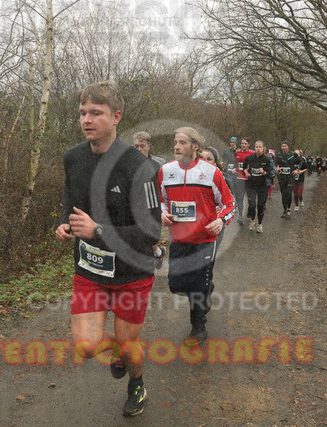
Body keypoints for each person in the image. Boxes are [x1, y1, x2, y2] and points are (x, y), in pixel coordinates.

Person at [55, 81, 161, 417]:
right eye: (82, 113)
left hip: (132, 271)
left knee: (129, 348)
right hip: (91, 269)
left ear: (116, 117)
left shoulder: (139, 166)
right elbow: (70, 198)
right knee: (86, 346)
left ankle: (137, 382)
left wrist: (98, 230)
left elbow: (152, 231)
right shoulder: (73, 158)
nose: (86, 120)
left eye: (95, 113)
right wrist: (64, 222)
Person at [158, 128, 235, 344]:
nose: (176, 146)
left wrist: (221, 220)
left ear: (195, 146)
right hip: (179, 239)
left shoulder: (211, 172)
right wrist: (162, 213)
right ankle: (205, 288)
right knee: (176, 284)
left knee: (198, 286)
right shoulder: (165, 171)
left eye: (182, 142)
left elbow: (229, 204)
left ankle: (198, 326)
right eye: (175, 142)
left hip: (204, 240)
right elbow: (160, 200)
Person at [132, 131, 166, 269]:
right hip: (135, 205)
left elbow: (165, 185)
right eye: (136, 146)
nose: (139, 149)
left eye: (142, 146)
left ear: (149, 146)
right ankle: (157, 253)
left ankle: (156, 254)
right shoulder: (127, 163)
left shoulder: (159, 164)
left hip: (154, 205)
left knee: (149, 236)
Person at [242, 141, 273, 233]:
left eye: (260, 147)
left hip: (262, 186)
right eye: (256, 147)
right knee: (252, 205)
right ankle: (252, 221)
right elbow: (244, 166)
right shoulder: (250, 158)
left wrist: (264, 172)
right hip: (251, 185)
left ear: (263, 148)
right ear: (254, 148)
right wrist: (246, 172)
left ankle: (260, 224)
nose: (258, 149)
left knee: (260, 206)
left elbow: (270, 174)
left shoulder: (266, 160)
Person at [275, 141, 301, 219]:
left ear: (288, 147)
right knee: (283, 194)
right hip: (281, 177)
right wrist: (276, 169)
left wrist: (297, 170)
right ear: (281, 147)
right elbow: (274, 164)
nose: (284, 148)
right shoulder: (278, 155)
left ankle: (289, 209)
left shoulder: (293, 155)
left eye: (285, 146)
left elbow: (300, 163)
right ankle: (285, 210)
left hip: (290, 177)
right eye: (282, 146)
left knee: (289, 193)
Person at [233, 137, 254, 225]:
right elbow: (235, 163)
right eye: (242, 143)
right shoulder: (237, 152)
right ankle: (240, 216)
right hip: (239, 178)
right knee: (239, 198)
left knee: (250, 198)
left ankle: (249, 211)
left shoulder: (252, 153)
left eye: (245, 143)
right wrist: (235, 168)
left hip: (249, 179)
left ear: (248, 144)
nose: (243, 145)